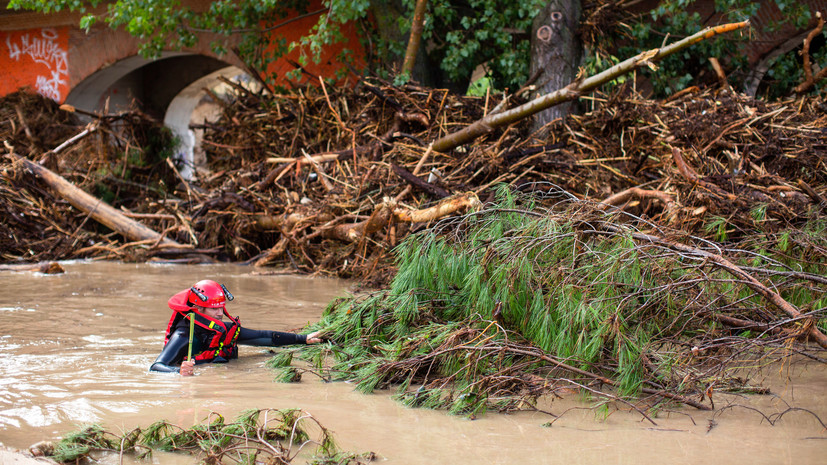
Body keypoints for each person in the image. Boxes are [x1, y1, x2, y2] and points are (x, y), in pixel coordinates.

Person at [150, 279, 322, 376]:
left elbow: (263, 337)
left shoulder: (221, 329)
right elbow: (156, 366)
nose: (220, 314)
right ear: (198, 309)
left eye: (221, 307)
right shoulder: (183, 335)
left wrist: (304, 338)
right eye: (214, 308)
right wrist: (178, 372)